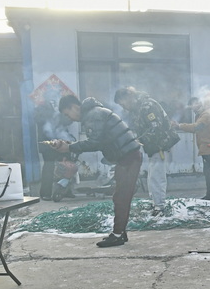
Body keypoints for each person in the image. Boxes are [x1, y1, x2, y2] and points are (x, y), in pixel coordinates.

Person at [51, 95, 142, 248]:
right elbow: (99, 140)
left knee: (121, 197)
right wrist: (71, 145)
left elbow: (95, 142)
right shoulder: (94, 113)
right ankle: (120, 232)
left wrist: (70, 147)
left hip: (128, 158)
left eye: (68, 114)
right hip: (127, 157)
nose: (70, 118)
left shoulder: (93, 115)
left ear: (74, 107)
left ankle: (118, 235)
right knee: (120, 196)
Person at [114, 86, 177, 215]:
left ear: (128, 97)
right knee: (152, 175)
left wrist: (138, 140)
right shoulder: (137, 109)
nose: (123, 107)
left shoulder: (148, 106)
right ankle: (155, 203)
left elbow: (155, 128)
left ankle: (159, 207)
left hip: (160, 145)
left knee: (156, 176)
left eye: (122, 103)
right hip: (152, 147)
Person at [173, 97, 210, 200]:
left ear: (199, 103)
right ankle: (209, 195)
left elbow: (196, 127)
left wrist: (179, 126)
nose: (193, 109)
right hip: (208, 148)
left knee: (209, 174)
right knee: (208, 173)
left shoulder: (206, 114)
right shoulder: (203, 114)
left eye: (193, 105)